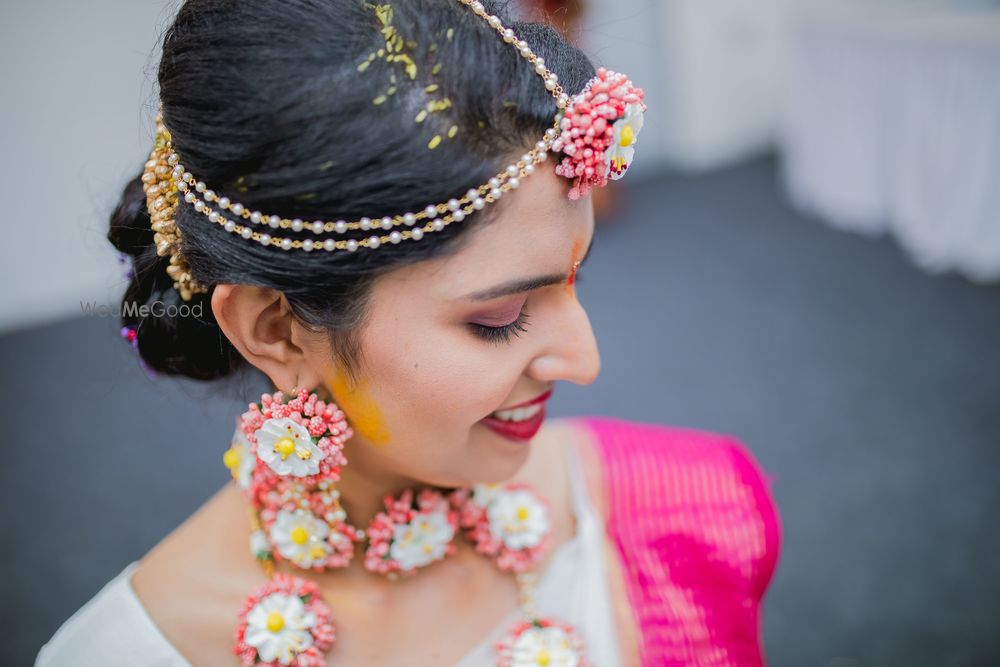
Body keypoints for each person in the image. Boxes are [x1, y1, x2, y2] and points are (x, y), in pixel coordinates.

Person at [35, 0, 781, 665]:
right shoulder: (121, 651)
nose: (586, 360)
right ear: (278, 331)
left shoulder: (692, 514)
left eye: (574, 278)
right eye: (497, 318)